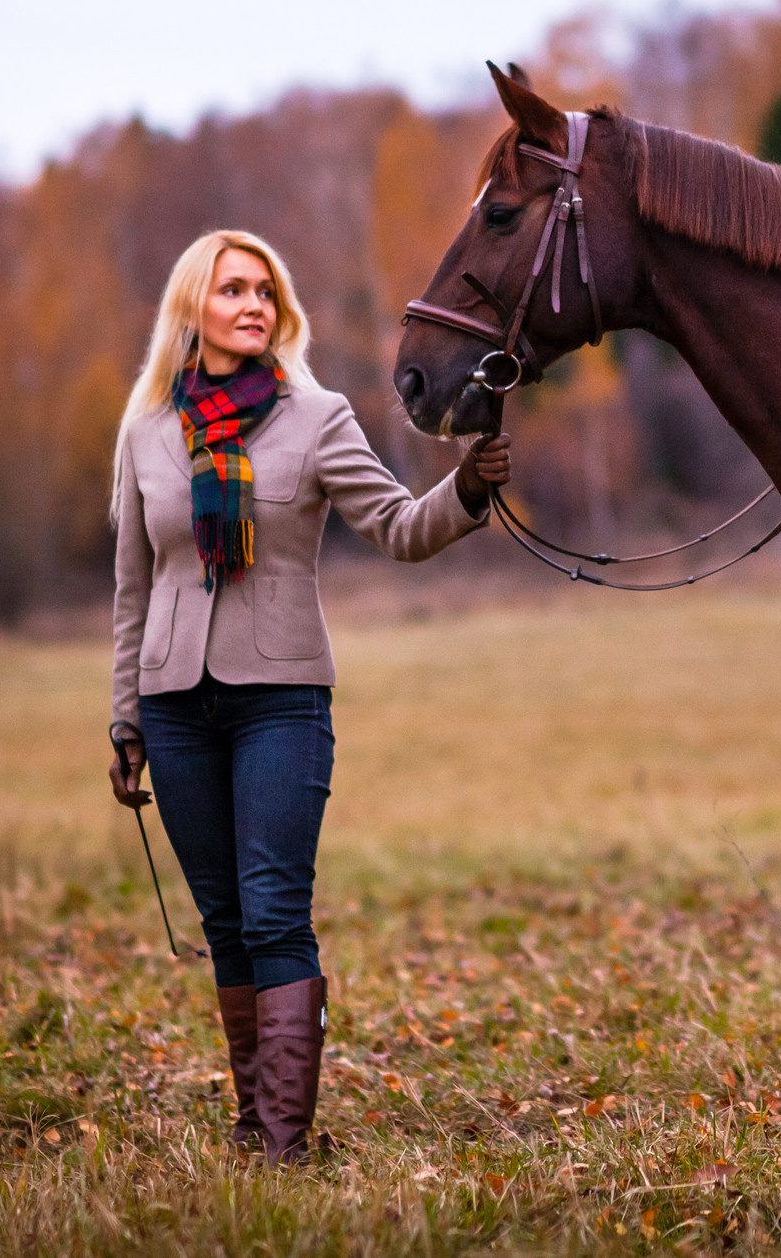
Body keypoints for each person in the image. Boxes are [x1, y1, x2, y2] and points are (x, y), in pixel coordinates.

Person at [104, 230, 507, 1163]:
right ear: (192, 309)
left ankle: (284, 1143)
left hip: (282, 699)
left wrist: (469, 488)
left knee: (275, 907)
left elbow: (400, 527)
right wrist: (125, 717)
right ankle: (253, 1122)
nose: (254, 306)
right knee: (224, 920)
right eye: (233, 289)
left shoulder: (317, 417)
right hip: (173, 705)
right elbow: (133, 587)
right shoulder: (145, 432)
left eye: (266, 293)